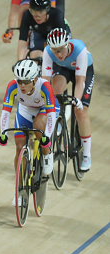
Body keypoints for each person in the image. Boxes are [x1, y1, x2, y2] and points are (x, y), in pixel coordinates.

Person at [0, 59, 55, 206]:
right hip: (25, 110)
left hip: (44, 110)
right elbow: (5, 112)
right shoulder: (12, 86)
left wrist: (46, 138)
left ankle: (47, 154)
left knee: (38, 125)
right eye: (20, 81)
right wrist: (3, 133)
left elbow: (51, 115)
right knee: (19, 147)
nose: (22, 85)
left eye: (26, 82)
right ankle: (20, 190)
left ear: (35, 79)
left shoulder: (45, 86)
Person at [42, 28, 94, 171]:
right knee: (56, 92)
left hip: (84, 70)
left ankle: (86, 155)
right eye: (54, 50)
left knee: (81, 111)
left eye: (60, 50)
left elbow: (80, 81)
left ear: (67, 45)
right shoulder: (48, 51)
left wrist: (76, 100)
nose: (58, 54)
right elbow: (45, 81)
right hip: (63, 69)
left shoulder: (79, 49)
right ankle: (59, 116)